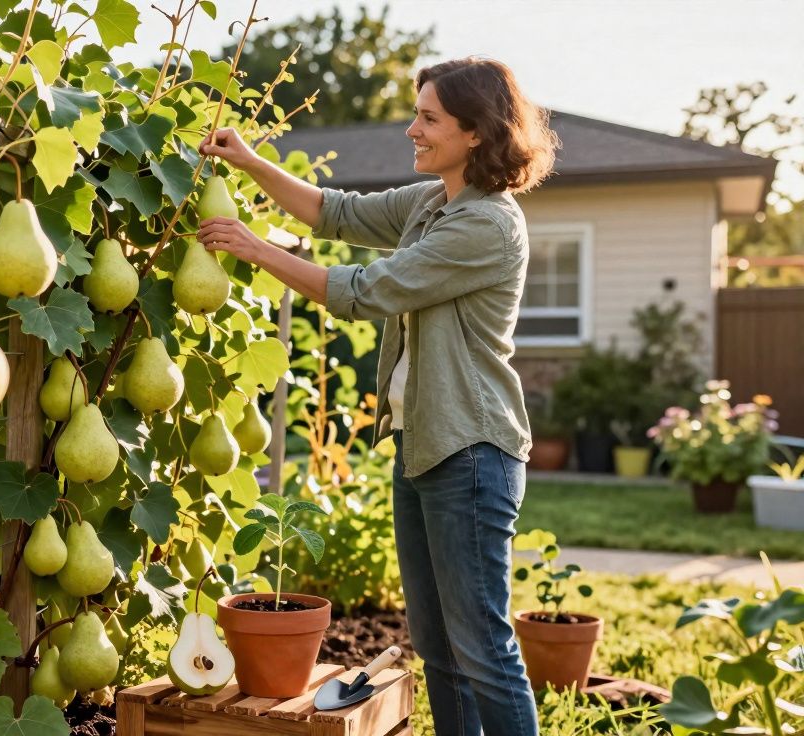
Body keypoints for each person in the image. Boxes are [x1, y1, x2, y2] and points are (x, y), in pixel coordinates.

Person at [197, 57, 558, 736]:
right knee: (440, 648)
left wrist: (255, 250)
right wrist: (249, 163)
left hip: (473, 452)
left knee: (481, 647)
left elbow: (367, 290)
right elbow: (334, 212)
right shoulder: (433, 202)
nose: (411, 129)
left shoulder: (486, 225)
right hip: (424, 447)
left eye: (428, 118)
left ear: (476, 132)